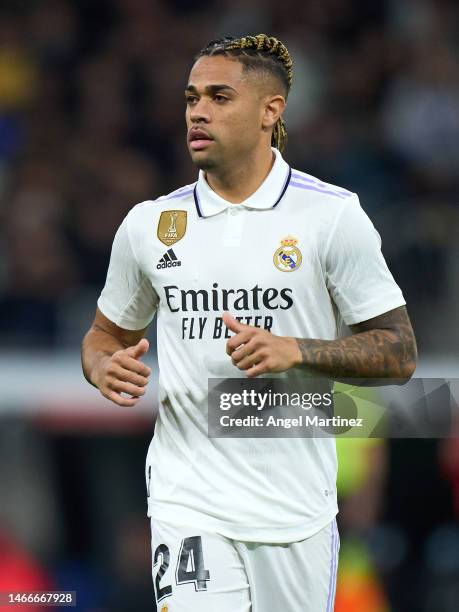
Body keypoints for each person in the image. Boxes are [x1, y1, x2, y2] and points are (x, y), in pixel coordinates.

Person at [81, 34, 417, 611]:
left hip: (296, 511)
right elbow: (105, 335)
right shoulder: (150, 224)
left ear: (271, 111)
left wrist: (298, 350)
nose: (198, 111)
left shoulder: (331, 217)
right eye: (191, 98)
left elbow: (399, 353)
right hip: (187, 502)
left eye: (219, 96)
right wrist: (102, 366)